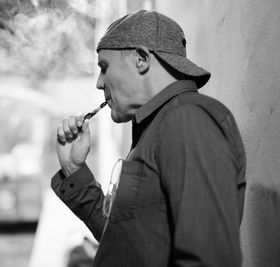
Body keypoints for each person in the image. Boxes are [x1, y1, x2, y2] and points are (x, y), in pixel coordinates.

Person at [51, 10, 246, 267]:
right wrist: (73, 169)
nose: (99, 83)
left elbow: (207, 260)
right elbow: (128, 242)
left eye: (104, 67)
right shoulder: (161, 124)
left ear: (141, 59)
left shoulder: (188, 120)